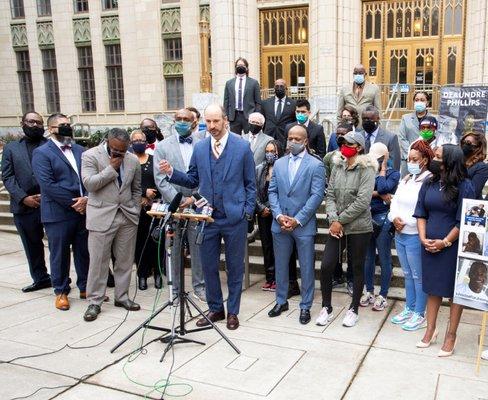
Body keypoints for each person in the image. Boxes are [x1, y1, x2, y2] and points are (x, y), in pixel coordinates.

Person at [159, 104, 256, 330]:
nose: (211, 126)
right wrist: (172, 173)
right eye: (208, 122)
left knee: (234, 266)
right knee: (208, 265)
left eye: (215, 121)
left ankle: (233, 311)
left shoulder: (242, 148)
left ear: (225, 121)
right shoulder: (201, 148)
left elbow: (250, 185)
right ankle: (216, 309)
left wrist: (247, 212)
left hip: (234, 218)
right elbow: (193, 180)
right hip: (207, 218)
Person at [414, 144, 474, 356]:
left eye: (438, 156)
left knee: (453, 292)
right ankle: (431, 329)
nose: (433, 159)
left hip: (452, 246)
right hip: (428, 244)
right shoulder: (429, 183)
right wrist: (423, 238)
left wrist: (445, 242)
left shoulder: (464, 186)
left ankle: (451, 335)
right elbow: (421, 212)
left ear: (450, 161)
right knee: (433, 288)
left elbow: (464, 220)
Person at [267, 125, 326, 324]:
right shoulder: (280, 163)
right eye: (290, 138)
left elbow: (317, 195)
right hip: (280, 224)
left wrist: (298, 219)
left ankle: (305, 305)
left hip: (303, 225)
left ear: (305, 141)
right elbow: (272, 192)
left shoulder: (315, 165)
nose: (292, 141)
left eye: (297, 139)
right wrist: (277, 215)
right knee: (281, 266)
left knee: (307, 267)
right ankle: (281, 300)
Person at [82, 128, 142, 322]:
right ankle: (95, 301)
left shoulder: (133, 160)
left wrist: (135, 210)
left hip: (127, 216)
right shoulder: (90, 155)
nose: (119, 153)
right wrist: (111, 168)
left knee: (125, 260)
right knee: (98, 261)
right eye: (115, 149)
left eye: (123, 150)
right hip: (101, 216)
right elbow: (89, 184)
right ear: (108, 142)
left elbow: (137, 189)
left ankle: (122, 297)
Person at [317, 131, 376, 328]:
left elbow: (362, 201)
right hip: (337, 224)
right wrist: (333, 219)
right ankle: (326, 306)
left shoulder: (367, 169)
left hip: (359, 227)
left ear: (358, 147)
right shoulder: (337, 165)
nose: (343, 146)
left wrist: (339, 221)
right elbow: (330, 194)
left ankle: (353, 309)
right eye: (341, 143)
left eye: (348, 143)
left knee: (356, 267)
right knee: (326, 266)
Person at [32, 113, 89, 311]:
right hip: (58, 213)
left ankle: (85, 287)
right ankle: (61, 291)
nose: (67, 127)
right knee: (60, 253)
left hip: (83, 211)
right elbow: (47, 184)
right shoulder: (42, 153)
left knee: (84, 251)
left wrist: (87, 198)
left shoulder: (81, 150)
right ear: (50, 129)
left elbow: (89, 177)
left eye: (68, 124)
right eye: (62, 125)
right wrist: (74, 203)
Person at [153, 108, 206, 302]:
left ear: (194, 122)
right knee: (173, 249)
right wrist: (178, 200)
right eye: (178, 119)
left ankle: (199, 287)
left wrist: (193, 198)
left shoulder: (203, 144)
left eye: (186, 119)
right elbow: (160, 178)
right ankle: (175, 290)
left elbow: (206, 176)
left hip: (196, 204)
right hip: (173, 206)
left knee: (198, 247)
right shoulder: (163, 146)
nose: (182, 122)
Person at [2, 111, 51, 292]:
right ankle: (40, 278)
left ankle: (61, 277)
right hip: (24, 206)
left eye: (38, 122)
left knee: (56, 243)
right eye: (30, 122)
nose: (35, 125)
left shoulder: (50, 145)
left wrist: (46, 196)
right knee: (32, 245)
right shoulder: (11, 148)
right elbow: (8, 177)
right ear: (22, 123)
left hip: (50, 203)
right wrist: (23, 198)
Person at [388, 140, 434, 331]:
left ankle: (419, 313)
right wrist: (394, 218)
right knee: (407, 274)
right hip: (400, 233)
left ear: (424, 159)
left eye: (415, 159)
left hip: (415, 234)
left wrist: (409, 222)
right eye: (409, 159)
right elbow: (394, 201)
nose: (411, 162)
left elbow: (425, 209)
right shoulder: (406, 178)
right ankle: (409, 307)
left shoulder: (429, 180)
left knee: (418, 275)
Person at [360, 143, 400, 311]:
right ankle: (369, 290)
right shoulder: (366, 170)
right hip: (367, 217)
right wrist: (377, 194)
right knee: (368, 257)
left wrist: (383, 169)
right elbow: (360, 191)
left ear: (386, 157)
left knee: (384, 257)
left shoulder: (394, 174)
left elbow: (384, 187)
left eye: (379, 157)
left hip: (383, 219)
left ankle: (383, 294)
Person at [323, 121, 355, 292]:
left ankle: (351, 279)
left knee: (350, 248)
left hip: (352, 212)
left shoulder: (357, 156)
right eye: (338, 133)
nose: (340, 136)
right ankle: (337, 276)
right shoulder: (329, 157)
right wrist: (333, 215)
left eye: (344, 133)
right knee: (335, 246)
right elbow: (330, 184)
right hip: (334, 210)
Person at [130, 130, 162, 290]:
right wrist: (143, 193)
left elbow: (161, 181)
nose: (139, 142)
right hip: (136, 210)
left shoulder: (154, 159)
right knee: (140, 243)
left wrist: (151, 194)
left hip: (154, 208)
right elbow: (125, 184)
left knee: (156, 242)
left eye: (141, 140)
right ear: (131, 142)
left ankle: (158, 274)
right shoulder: (127, 161)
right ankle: (142, 274)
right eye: (135, 140)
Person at [255, 140, 283, 290]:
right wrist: (260, 208)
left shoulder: (283, 168)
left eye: (273, 151)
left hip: (278, 212)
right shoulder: (259, 169)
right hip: (263, 213)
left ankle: (280, 278)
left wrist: (273, 209)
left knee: (278, 246)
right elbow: (253, 191)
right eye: (268, 151)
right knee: (266, 246)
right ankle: (269, 277)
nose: (270, 154)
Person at [398, 91, 435, 176]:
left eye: (422, 100)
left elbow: (436, 138)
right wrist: (412, 154)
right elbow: (402, 138)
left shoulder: (433, 119)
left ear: (427, 103)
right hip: (409, 159)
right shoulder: (405, 118)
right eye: (417, 100)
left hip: (426, 160)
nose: (419, 102)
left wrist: (427, 154)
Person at [223, 57, 261, 135]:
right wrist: (225, 117)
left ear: (246, 68)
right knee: (235, 139)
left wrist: (256, 116)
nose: (240, 67)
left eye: (242, 65)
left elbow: (258, 102)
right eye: (238, 65)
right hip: (234, 116)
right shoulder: (229, 83)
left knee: (250, 138)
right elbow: (226, 101)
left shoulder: (254, 83)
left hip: (249, 116)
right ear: (235, 68)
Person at [362, 105, 401, 170]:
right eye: (364, 119)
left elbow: (394, 166)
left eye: (370, 119)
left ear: (378, 119)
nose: (366, 121)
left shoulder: (390, 138)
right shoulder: (357, 137)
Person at [261, 79, 297, 149]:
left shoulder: (293, 104)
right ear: (274, 88)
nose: (279, 88)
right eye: (277, 86)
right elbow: (263, 120)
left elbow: (294, 121)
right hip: (269, 137)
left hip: (284, 138)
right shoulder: (265, 103)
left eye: (281, 86)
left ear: (286, 88)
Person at [460, 130, 488, 199]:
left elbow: (473, 192)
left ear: (478, 147)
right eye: (463, 141)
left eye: (468, 143)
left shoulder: (481, 167)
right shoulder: (459, 161)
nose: (464, 144)